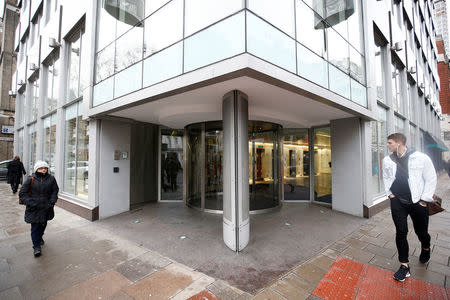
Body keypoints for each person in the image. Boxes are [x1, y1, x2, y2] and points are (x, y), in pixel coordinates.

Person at [382, 133, 436, 282]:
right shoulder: (388, 159)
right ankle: (404, 266)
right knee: (401, 232)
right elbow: (386, 176)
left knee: (421, 232)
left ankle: (426, 248)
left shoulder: (421, 157)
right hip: (398, 201)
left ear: (399, 143)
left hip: (418, 202)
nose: (388, 145)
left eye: (390, 142)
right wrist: (390, 194)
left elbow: (431, 178)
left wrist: (424, 200)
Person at [19, 161, 59, 257]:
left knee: (43, 224)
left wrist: (52, 201)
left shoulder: (51, 179)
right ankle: (36, 247)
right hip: (34, 208)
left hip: (46, 207)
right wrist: (32, 203)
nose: (43, 170)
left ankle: (39, 237)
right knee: (35, 227)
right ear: (37, 169)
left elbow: (55, 190)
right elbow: (22, 193)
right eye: (41, 168)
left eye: (45, 168)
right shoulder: (31, 179)